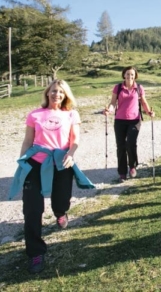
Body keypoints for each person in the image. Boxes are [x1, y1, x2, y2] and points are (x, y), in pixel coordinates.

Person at [9, 79, 94, 274]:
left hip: (61, 162)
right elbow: (28, 141)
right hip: (35, 164)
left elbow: (75, 140)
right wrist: (22, 163)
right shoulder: (35, 115)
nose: (57, 94)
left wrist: (71, 155)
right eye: (54, 91)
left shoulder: (72, 114)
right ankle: (35, 253)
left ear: (66, 96)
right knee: (32, 209)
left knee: (60, 201)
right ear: (47, 93)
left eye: (61, 92)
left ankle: (60, 213)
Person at [103, 66, 154, 182]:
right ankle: (122, 172)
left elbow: (144, 102)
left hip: (134, 120)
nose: (130, 76)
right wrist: (109, 111)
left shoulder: (139, 88)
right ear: (124, 75)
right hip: (120, 120)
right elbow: (112, 103)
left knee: (131, 143)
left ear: (135, 76)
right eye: (127, 74)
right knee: (120, 146)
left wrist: (149, 112)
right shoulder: (118, 87)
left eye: (132, 74)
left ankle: (132, 166)